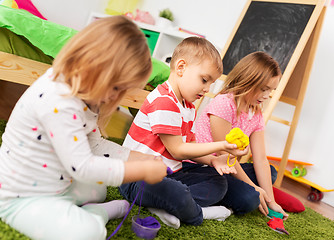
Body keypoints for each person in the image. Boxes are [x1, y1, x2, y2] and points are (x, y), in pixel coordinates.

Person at [0, 16, 168, 240]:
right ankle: (96, 215)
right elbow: (82, 167)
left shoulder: (85, 92)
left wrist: (140, 158)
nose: (116, 99)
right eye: (116, 87)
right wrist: (142, 171)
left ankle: (81, 209)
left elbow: (94, 144)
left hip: (58, 182)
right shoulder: (57, 100)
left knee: (98, 189)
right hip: (22, 198)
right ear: (93, 65)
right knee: (89, 233)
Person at [120, 37, 249, 229]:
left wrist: (213, 160)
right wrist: (222, 146)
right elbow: (178, 150)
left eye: (211, 84)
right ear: (181, 68)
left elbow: (191, 149)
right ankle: (198, 213)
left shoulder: (188, 107)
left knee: (218, 182)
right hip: (137, 177)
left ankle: (169, 205)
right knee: (174, 191)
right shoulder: (164, 100)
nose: (207, 89)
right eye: (204, 80)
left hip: (171, 174)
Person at [195, 51, 289, 220]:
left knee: (270, 171)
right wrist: (254, 188)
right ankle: (226, 203)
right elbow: (225, 155)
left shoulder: (256, 113)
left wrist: (270, 199)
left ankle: (262, 195)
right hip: (203, 167)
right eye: (264, 89)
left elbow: (260, 159)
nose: (267, 96)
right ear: (248, 81)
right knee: (248, 198)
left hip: (228, 169)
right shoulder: (224, 103)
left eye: (271, 90)